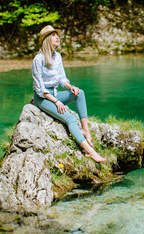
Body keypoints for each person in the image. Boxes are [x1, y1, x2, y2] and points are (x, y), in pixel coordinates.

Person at [32, 25, 106, 162]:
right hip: (43, 98)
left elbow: (61, 79)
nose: (57, 37)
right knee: (70, 119)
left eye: (57, 35)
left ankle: (85, 130)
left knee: (80, 93)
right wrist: (56, 101)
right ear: (47, 39)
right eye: (53, 35)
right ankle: (89, 151)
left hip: (54, 93)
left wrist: (70, 86)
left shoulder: (58, 57)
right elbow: (40, 89)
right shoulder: (38, 60)